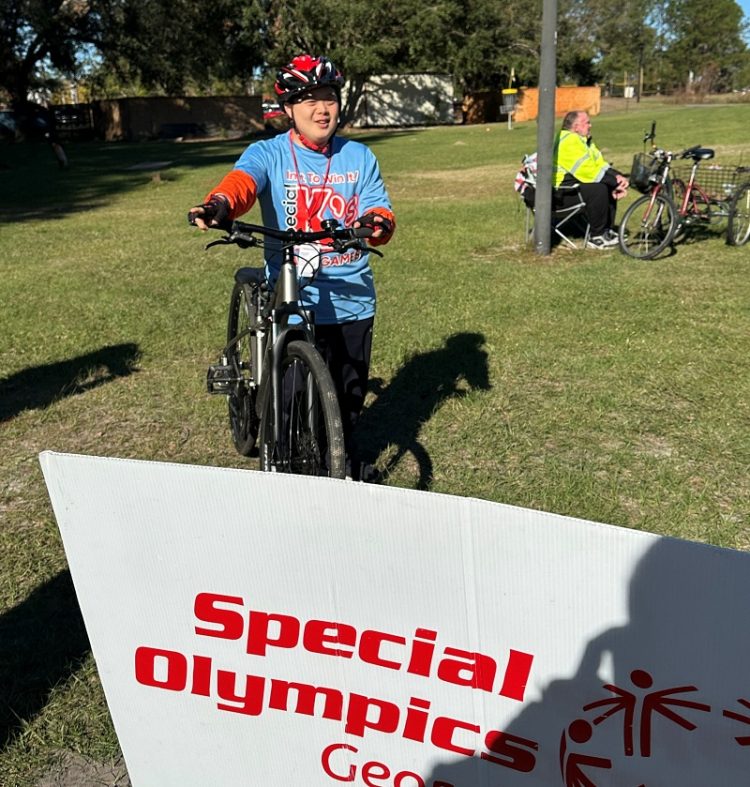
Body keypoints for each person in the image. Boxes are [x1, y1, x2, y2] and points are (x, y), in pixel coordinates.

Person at [188, 54, 395, 481]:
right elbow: (243, 182)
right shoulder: (269, 153)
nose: (322, 109)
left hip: (351, 294)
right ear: (288, 110)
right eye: (309, 100)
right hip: (292, 290)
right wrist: (220, 204)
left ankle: (341, 457)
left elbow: (379, 210)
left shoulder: (359, 157)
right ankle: (286, 464)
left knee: (346, 397)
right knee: (292, 395)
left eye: (330, 98)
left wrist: (376, 224)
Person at [553, 110, 628, 250]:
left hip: (573, 186)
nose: (590, 125)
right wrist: (614, 182)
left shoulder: (583, 141)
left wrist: (617, 176)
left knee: (606, 185)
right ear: (576, 127)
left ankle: (606, 231)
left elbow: (600, 164)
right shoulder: (569, 141)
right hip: (560, 194)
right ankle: (597, 237)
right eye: (587, 122)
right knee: (599, 188)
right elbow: (589, 172)